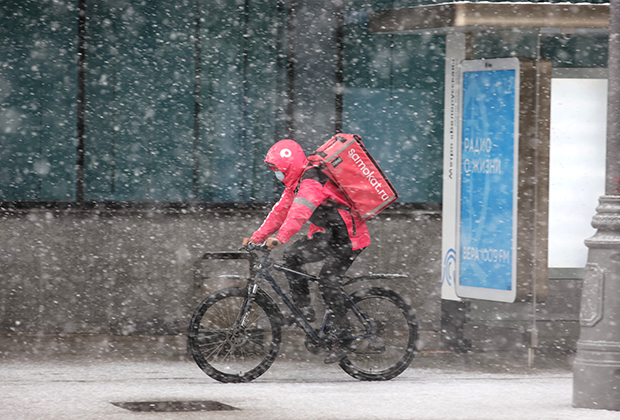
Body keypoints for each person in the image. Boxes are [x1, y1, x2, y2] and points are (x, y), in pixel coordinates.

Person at [242, 139, 371, 364]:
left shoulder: (311, 181)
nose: (276, 174)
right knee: (292, 256)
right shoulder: (296, 183)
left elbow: (299, 213)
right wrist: (257, 237)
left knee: (328, 281)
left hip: (348, 238)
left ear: (290, 167)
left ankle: (345, 336)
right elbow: (280, 212)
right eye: (274, 170)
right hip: (328, 236)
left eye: (278, 170)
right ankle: (304, 310)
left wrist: (280, 237)